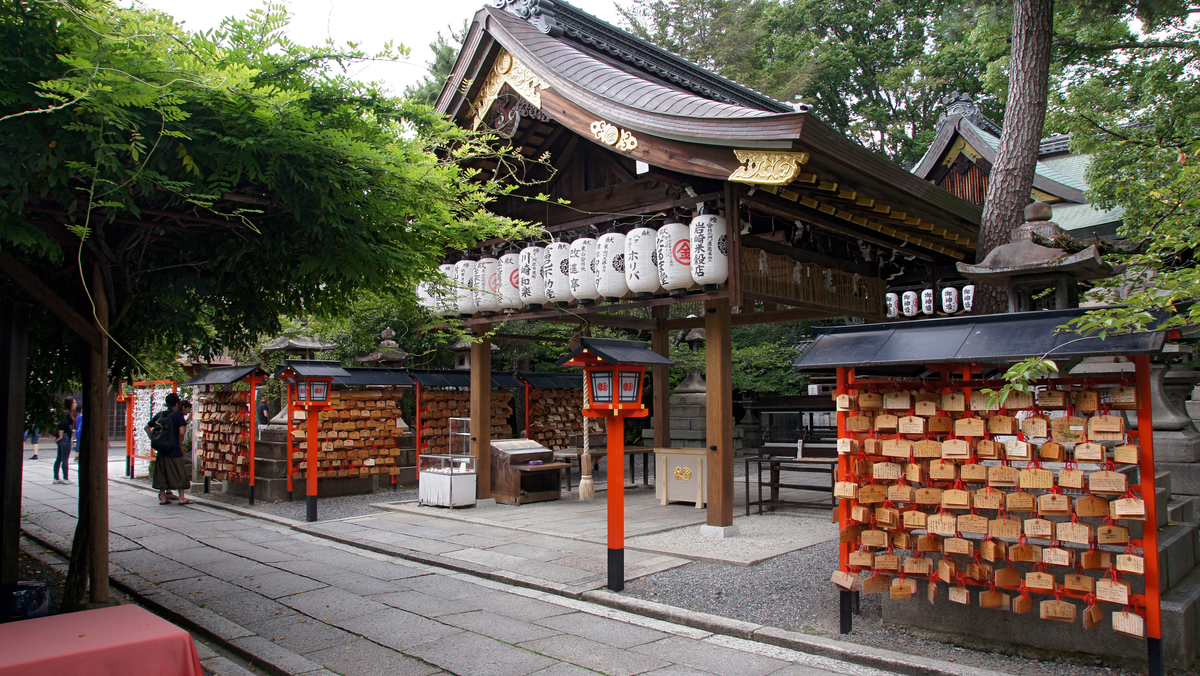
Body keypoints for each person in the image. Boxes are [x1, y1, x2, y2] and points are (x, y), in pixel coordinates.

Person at [146, 393, 193, 505]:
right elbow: (181, 431)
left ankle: (163, 497)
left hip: (161, 450)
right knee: (179, 472)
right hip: (174, 449)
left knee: (161, 473)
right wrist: (179, 441)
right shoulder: (178, 416)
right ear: (177, 403)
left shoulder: (160, 415)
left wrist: (153, 438)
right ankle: (182, 497)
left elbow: (147, 427)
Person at [52, 398, 75, 485]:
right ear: (70, 404)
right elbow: (62, 425)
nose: (75, 404)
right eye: (74, 403)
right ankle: (66, 478)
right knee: (65, 458)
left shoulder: (63, 413)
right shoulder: (66, 414)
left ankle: (56, 477)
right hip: (65, 438)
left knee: (59, 458)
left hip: (63, 437)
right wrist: (61, 435)